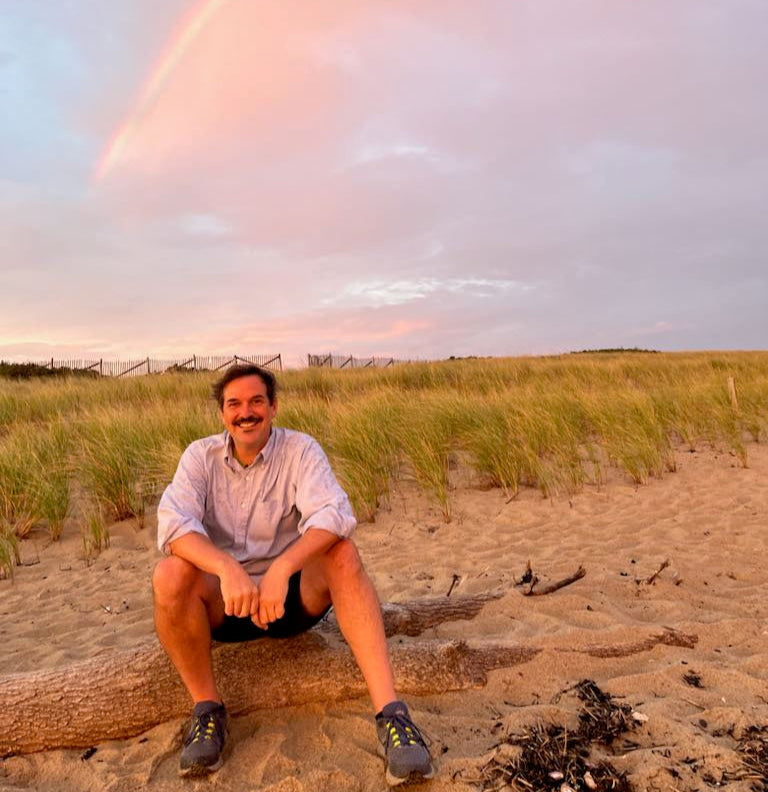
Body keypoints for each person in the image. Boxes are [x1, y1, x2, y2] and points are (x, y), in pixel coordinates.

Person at [153, 363, 434, 785]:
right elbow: (174, 525)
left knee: (342, 554)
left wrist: (283, 566)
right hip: (225, 603)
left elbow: (334, 514)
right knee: (170, 575)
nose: (245, 412)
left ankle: (392, 715)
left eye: (256, 401)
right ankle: (208, 711)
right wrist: (227, 567)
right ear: (222, 414)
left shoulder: (300, 450)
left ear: (273, 406)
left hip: (290, 601)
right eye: (234, 404)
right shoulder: (200, 457)